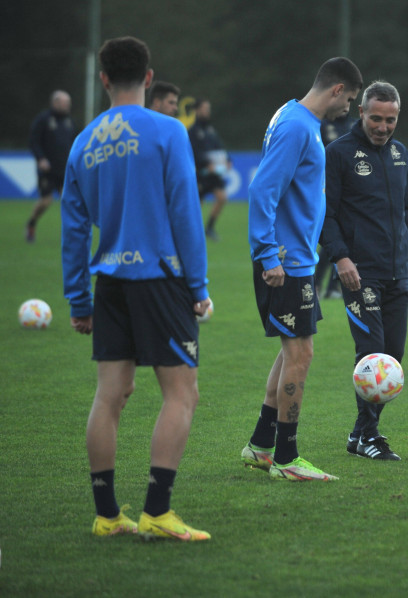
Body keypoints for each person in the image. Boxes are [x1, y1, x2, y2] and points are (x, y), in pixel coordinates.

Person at [61, 36, 211, 541]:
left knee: (110, 395)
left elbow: (74, 231)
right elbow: (185, 212)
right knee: (181, 393)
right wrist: (199, 285)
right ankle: (156, 511)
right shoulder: (168, 131)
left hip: (111, 282)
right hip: (159, 278)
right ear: (149, 78)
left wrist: (79, 299)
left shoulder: (83, 143)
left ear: (103, 79)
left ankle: (107, 515)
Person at [241, 57, 364, 481]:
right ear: (336, 89)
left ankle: (261, 446)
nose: (349, 106)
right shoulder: (297, 126)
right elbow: (262, 188)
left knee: (291, 348)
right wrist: (267, 255)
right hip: (287, 261)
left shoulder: (290, 115)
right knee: (301, 353)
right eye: (350, 98)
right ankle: (288, 459)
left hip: (297, 258)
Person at [320, 80, 408, 461]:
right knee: (373, 355)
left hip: (397, 271)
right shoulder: (338, 154)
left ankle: (359, 434)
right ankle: (370, 437)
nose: (382, 127)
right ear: (360, 112)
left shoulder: (400, 154)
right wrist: (341, 257)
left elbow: (406, 209)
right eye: (375, 118)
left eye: (390, 120)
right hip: (360, 273)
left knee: (393, 357)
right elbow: (324, 215)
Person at [315, 110, 359, 300]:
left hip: (349, 190)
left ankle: (333, 286)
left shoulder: (355, 125)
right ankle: (317, 283)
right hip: (327, 187)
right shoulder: (323, 125)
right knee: (331, 239)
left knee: (344, 238)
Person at [25, 90, 77, 242]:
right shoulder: (43, 119)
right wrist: (40, 158)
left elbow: (75, 144)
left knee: (69, 202)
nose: (67, 106)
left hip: (65, 170)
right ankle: (32, 223)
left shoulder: (69, 121)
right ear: (55, 103)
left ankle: (71, 234)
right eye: (64, 103)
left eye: (69, 103)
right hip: (48, 170)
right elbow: (33, 141)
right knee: (46, 201)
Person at [188, 98, 231, 240]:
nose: (208, 111)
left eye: (208, 108)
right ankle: (193, 231)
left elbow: (220, 148)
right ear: (197, 110)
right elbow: (193, 152)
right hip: (201, 174)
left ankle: (209, 227)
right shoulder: (192, 131)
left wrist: (228, 160)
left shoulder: (211, 130)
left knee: (222, 197)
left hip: (214, 173)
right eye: (205, 108)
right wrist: (206, 164)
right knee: (197, 206)